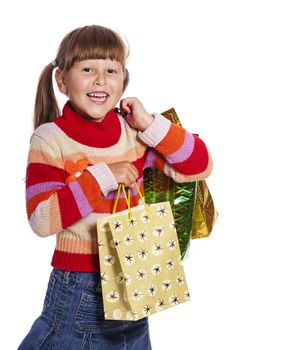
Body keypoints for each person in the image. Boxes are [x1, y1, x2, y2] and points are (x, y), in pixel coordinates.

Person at [18, 24, 213, 349]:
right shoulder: (51, 139)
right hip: (82, 286)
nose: (100, 79)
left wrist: (151, 124)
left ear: (124, 80)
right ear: (62, 80)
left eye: (111, 69)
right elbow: (41, 220)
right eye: (87, 68)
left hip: (134, 274)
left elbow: (199, 165)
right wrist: (102, 176)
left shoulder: (134, 133)